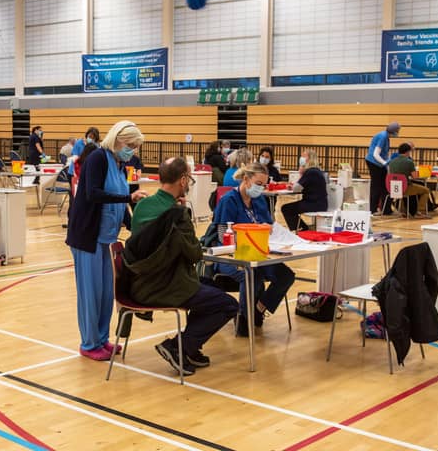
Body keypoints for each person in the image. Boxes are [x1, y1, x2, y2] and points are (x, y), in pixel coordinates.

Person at [126, 157, 238, 375]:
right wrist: (185, 216)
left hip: (140, 282)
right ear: (183, 180)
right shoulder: (177, 215)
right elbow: (195, 254)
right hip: (168, 285)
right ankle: (179, 346)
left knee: (208, 289)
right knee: (228, 304)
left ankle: (191, 348)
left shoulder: (142, 206)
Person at [66, 121, 148, 361]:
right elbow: (93, 193)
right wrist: (127, 196)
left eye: (135, 147)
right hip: (88, 237)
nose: (132, 150)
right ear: (117, 139)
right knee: (90, 293)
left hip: (107, 238)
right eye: (130, 145)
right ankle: (89, 343)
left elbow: (120, 203)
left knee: (104, 293)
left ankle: (102, 339)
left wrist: (136, 224)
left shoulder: (119, 165)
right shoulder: (98, 159)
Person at [213, 162, 295, 336]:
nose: (261, 188)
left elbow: (268, 224)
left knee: (286, 275)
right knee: (251, 273)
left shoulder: (258, 200)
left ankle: (258, 309)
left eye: (264, 185)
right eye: (258, 184)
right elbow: (222, 235)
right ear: (246, 179)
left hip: (258, 252)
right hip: (230, 254)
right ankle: (244, 317)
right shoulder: (229, 200)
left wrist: (268, 228)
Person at [281, 149, 328, 231]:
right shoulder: (316, 171)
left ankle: (303, 230)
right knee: (289, 208)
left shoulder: (310, 172)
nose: (301, 158)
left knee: (286, 208)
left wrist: (301, 174)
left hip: (314, 204)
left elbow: (296, 189)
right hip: (319, 203)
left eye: (303, 156)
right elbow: (301, 186)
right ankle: (303, 229)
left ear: (310, 158)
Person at [365, 122, 400, 215]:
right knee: (376, 187)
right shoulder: (383, 137)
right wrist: (385, 163)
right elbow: (375, 154)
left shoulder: (386, 136)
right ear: (394, 131)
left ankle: (386, 209)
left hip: (379, 164)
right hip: (374, 163)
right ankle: (373, 209)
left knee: (385, 186)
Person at [388, 143, 431, 218]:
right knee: (426, 190)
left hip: (393, 188)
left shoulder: (391, 161)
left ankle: (402, 210)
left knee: (402, 193)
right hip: (405, 188)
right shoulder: (409, 162)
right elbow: (414, 177)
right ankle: (419, 211)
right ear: (408, 152)